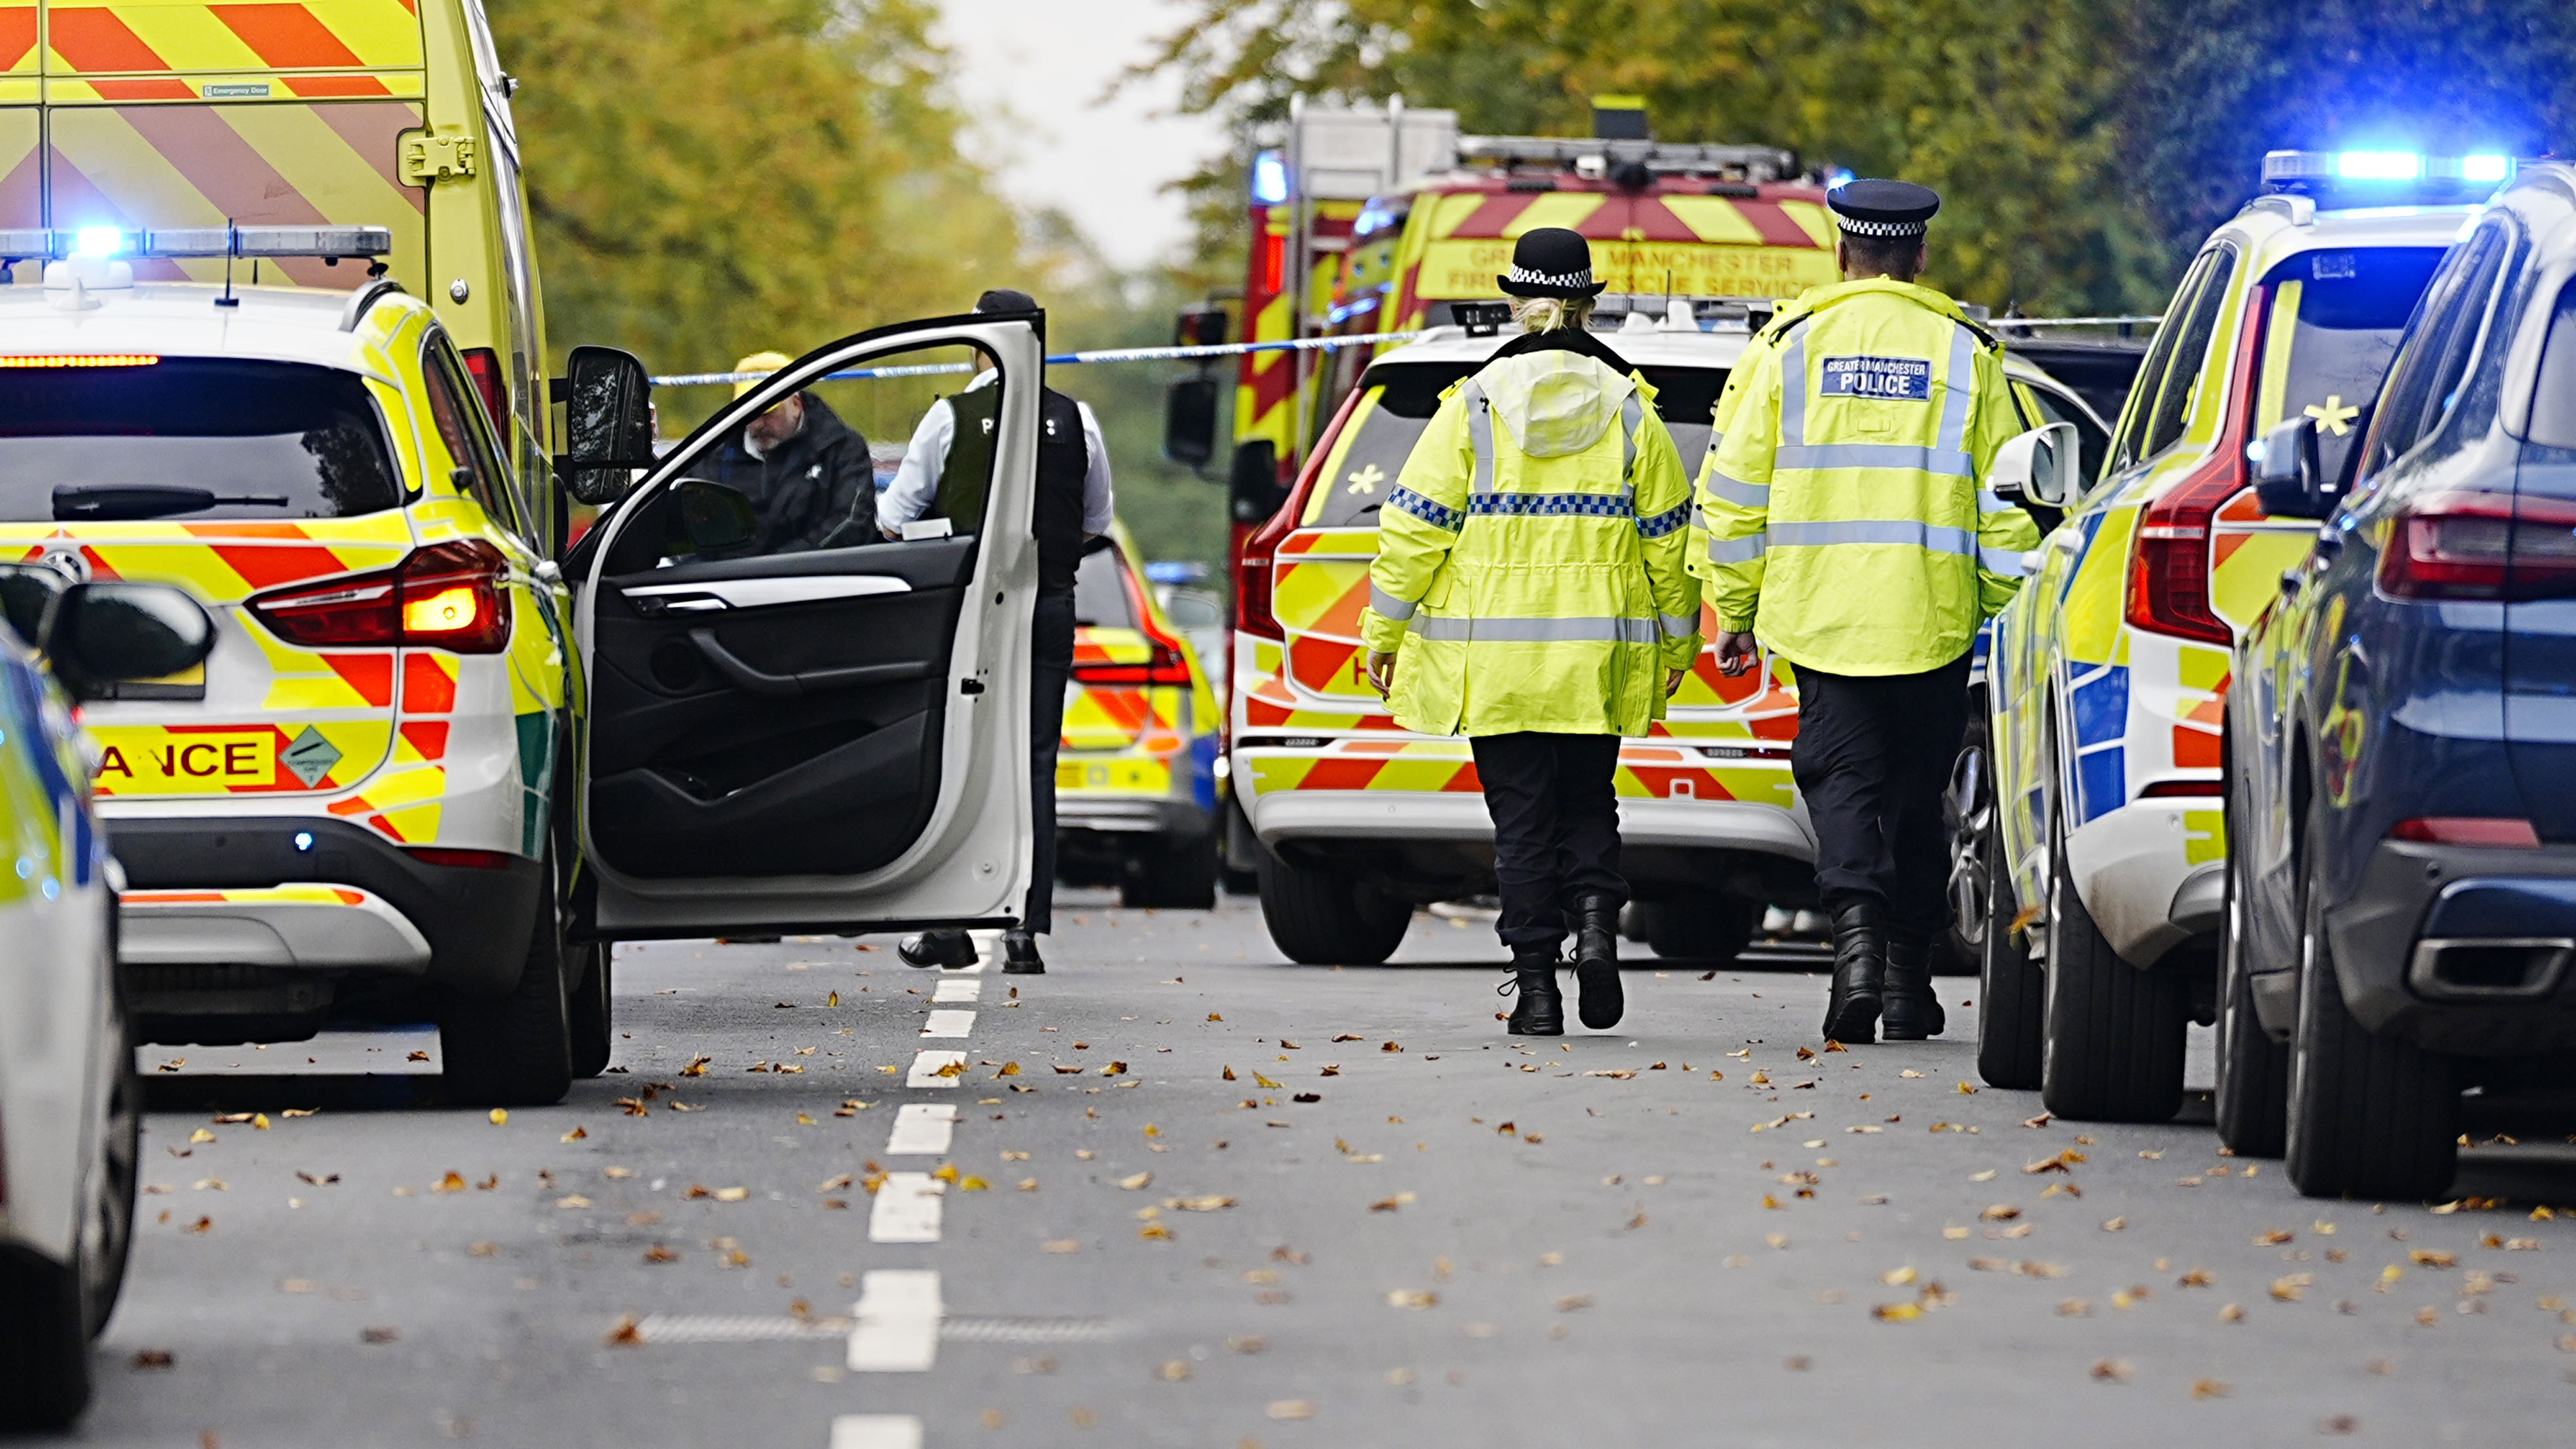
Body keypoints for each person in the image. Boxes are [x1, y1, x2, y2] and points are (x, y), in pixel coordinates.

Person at [1692, 179, 2040, 1045]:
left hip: (1824, 618)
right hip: (1930, 620)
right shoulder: (1969, 352)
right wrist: (1996, 605)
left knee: (1842, 785)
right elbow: (2008, 500)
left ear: (1841, 251)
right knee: (1918, 801)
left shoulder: (1788, 347)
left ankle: (1853, 950)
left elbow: (1733, 496)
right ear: (1918, 255)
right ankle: (1906, 980)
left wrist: (1735, 606)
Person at [1358, 228, 1701, 1036]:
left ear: (1515, 300)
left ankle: (1538, 988)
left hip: (1497, 663)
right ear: (1588, 303)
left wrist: (1385, 631)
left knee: (1521, 826)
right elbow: (1670, 542)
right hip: (1595, 661)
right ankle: (1595, 930)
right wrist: (1678, 646)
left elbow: (1416, 529)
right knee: (1588, 806)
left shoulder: (1470, 406)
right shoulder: (1631, 411)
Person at [892, 288, 1113, 976]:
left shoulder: (950, 416)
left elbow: (897, 517)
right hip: (1048, 602)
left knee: (959, 753)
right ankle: (1025, 930)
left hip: (970, 612)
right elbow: (1095, 521)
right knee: (1035, 761)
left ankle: (951, 923)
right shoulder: (1077, 418)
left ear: (977, 344)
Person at [698, 351, 878, 554]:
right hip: (730, 579)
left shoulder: (841, 448)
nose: (758, 424)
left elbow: (852, 523)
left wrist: (782, 564)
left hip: (815, 576)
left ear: (796, 403)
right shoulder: (712, 455)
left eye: (768, 413)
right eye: (748, 414)